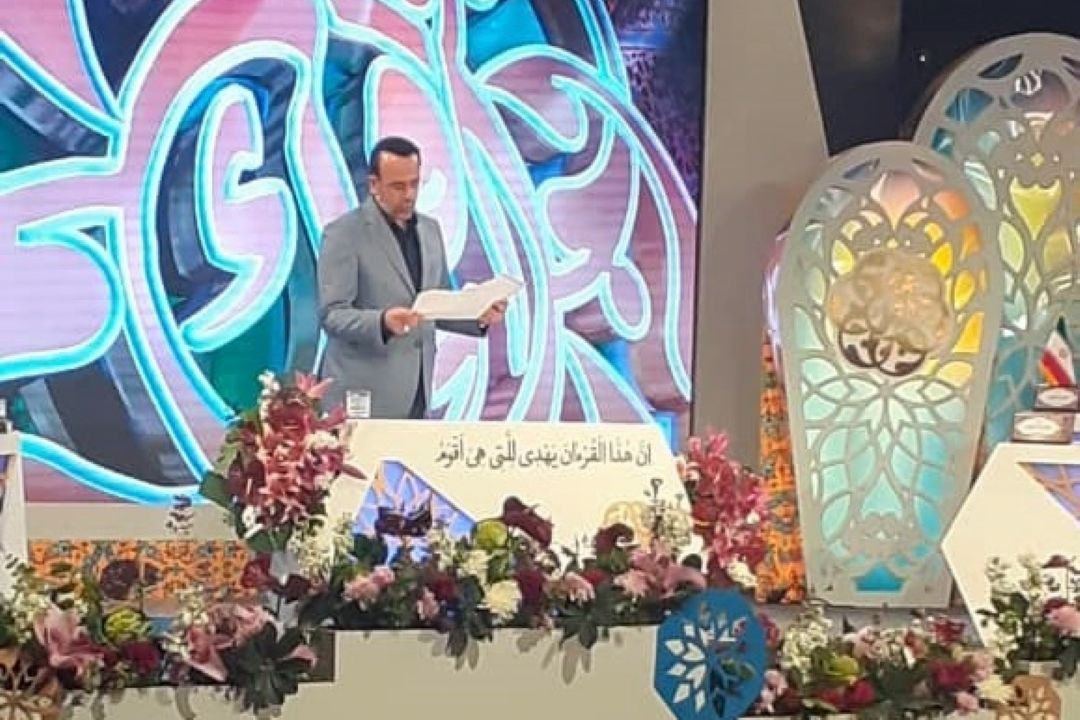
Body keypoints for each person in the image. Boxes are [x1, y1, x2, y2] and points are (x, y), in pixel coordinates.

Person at [317, 136, 506, 419]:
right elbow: (332, 315)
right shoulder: (344, 234)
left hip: (418, 391)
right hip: (362, 395)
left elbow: (435, 304)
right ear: (374, 185)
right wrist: (382, 322)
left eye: (414, 184)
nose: (409, 194)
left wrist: (478, 315)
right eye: (398, 186)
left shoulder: (430, 231)